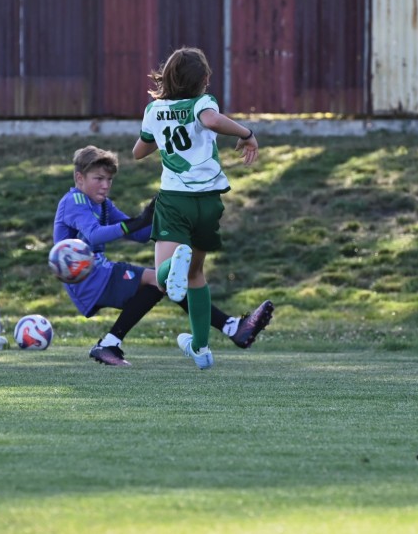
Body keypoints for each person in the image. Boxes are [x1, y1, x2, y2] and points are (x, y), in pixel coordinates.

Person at [54, 145, 273, 367]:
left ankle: (110, 343)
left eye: (109, 179)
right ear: (79, 178)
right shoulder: (75, 201)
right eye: (99, 179)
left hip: (99, 273)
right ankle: (232, 327)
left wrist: (164, 219)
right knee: (161, 279)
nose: (105, 185)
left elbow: (139, 234)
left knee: (163, 281)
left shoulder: (103, 206)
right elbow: (95, 234)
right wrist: (137, 222)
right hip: (87, 278)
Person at [133, 46, 259, 369]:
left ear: (167, 78)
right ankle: (200, 349)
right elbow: (210, 120)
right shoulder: (203, 102)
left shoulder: (154, 110)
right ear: (204, 79)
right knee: (195, 274)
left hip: (175, 200)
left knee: (165, 280)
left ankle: (173, 264)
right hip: (209, 202)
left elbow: (138, 152)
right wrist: (247, 133)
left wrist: (162, 134)